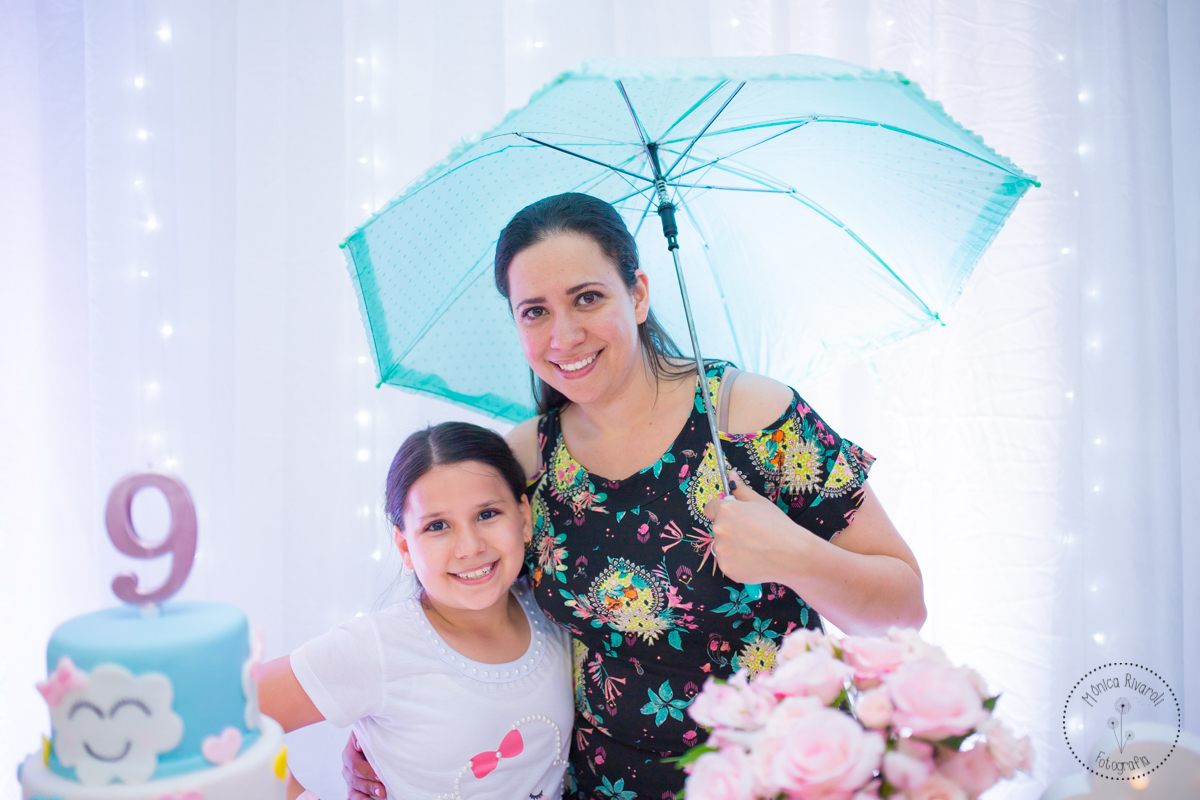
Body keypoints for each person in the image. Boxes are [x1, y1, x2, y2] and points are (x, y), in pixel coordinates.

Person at [343, 193, 926, 798]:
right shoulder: (528, 460)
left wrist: (795, 556)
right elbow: (474, 614)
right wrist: (392, 731)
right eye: (534, 311)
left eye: (587, 298)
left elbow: (904, 607)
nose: (563, 335)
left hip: (776, 779)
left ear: (638, 293)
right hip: (601, 785)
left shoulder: (750, 419)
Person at [258, 421, 574, 800]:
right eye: (438, 526)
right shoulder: (377, 647)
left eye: (487, 514)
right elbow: (223, 713)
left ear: (523, 517)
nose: (470, 546)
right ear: (405, 547)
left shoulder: (554, 611)